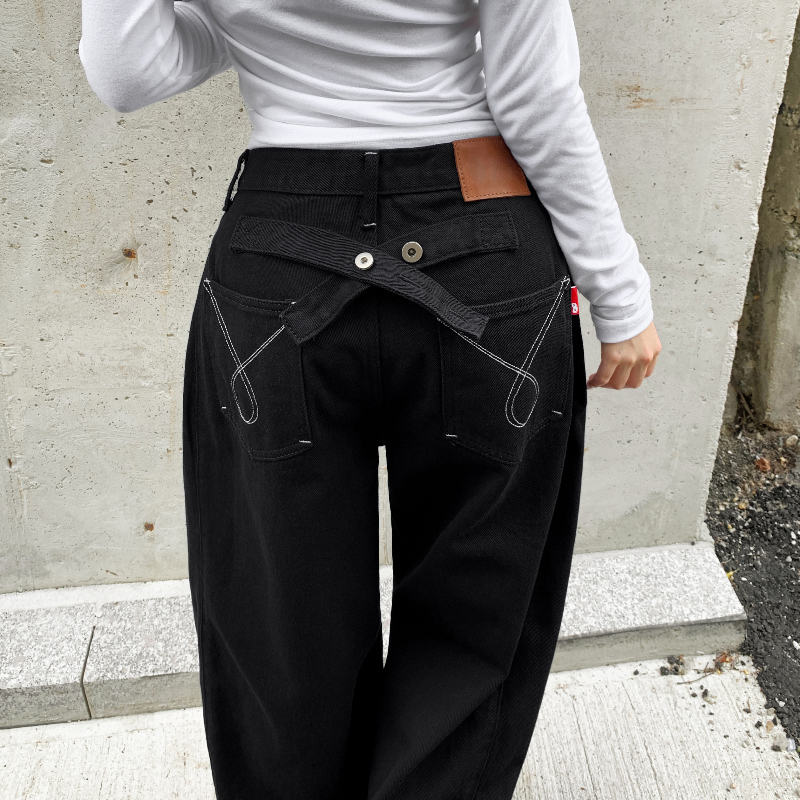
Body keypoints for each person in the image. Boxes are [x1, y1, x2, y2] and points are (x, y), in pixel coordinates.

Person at [79, 0, 661, 797]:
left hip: (279, 254)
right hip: (482, 247)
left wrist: (259, 27)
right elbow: (535, 92)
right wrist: (619, 294)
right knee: (477, 604)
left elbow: (129, 71)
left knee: (280, 615)